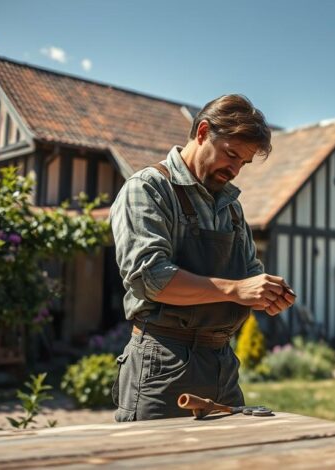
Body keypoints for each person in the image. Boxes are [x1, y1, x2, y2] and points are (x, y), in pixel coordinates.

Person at [109, 94, 295, 421]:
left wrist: (267, 294)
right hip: (162, 362)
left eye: (244, 163)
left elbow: (249, 275)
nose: (236, 169)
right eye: (231, 154)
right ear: (202, 132)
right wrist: (234, 290)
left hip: (222, 363)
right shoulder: (148, 189)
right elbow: (152, 278)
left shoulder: (232, 209)